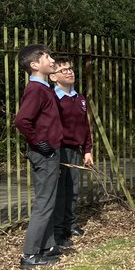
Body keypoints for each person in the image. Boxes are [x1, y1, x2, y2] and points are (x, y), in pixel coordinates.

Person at [13, 44, 64, 269]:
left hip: (50, 151)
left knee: (48, 200)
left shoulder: (44, 88)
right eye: (47, 57)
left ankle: (48, 246)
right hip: (45, 153)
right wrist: (39, 143)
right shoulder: (35, 90)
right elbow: (21, 120)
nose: (52, 60)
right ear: (34, 65)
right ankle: (30, 255)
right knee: (43, 203)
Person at [51, 57, 94, 247]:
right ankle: (58, 232)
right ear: (53, 77)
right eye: (64, 70)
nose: (70, 72)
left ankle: (71, 224)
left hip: (76, 150)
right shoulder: (53, 99)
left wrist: (87, 150)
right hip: (60, 150)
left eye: (71, 69)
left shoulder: (80, 98)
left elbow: (85, 126)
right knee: (61, 192)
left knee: (73, 190)